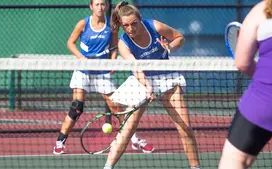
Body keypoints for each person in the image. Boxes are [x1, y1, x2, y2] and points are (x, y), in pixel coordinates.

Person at [103, 2, 201, 169]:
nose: (130, 28)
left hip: (167, 77)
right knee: (127, 129)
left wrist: (170, 46)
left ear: (140, 19)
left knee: (186, 128)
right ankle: (108, 167)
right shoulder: (123, 44)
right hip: (141, 79)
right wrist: (148, 86)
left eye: (134, 23)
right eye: (125, 25)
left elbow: (179, 38)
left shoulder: (155, 26)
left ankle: (196, 168)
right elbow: (136, 68)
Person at [53, 0, 154, 155]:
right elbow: (70, 43)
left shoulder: (111, 26)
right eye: (97, 4)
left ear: (106, 6)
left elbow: (114, 47)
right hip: (83, 71)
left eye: (103, 4)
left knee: (117, 108)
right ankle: (60, 142)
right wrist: (81, 58)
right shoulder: (83, 24)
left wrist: (113, 61)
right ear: (91, 6)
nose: (100, 7)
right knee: (77, 108)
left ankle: (134, 140)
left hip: (101, 72)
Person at [218, 0, 272, 168]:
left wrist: (266, 76)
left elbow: (242, 63)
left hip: (269, 100)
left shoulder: (263, 10)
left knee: (236, 161)